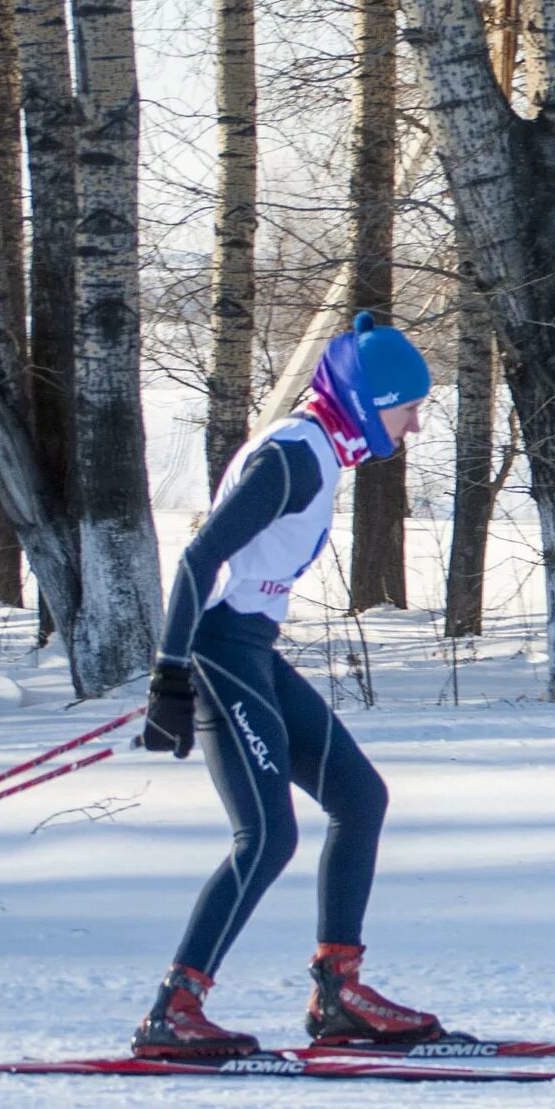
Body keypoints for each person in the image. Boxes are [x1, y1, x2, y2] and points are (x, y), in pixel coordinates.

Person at [130, 313, 453, 1059]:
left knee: (359, 796)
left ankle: (339, 990)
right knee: (267, 835)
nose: (414, 426)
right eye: (411, 408)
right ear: (375, 401)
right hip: (219, 650)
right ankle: (175, 1007)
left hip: (250, 648)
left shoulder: (320, 450)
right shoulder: (293, 456)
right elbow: (197, 558)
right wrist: (170, 677)